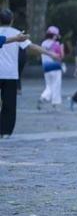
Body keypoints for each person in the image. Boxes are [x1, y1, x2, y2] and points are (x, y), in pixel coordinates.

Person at [0, 8, 60, 138]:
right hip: (10, 74)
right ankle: (5, 131)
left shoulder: (13, 35)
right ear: (12, 20)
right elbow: (32, 47)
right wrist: (50, 53)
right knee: (9, 104)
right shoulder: (17, 34)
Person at [37, 26, 65, 110]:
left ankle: (43, 97)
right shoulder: (56, 44)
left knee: (49, 85)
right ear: (54, 35)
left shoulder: (43, 43)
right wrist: (62, 47)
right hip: (55, 67)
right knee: (56, 85)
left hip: (45, 67)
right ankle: (54, 102)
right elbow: (60, 57)